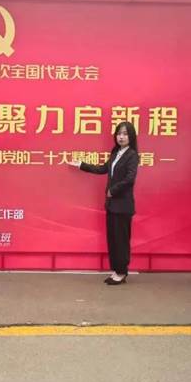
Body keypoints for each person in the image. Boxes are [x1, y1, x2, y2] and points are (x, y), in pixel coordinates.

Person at [69, 121, 140, 285]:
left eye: (125, 134)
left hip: (123, 206)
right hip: (112, 205)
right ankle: (116, 270)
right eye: (119, 134)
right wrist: (81, 165)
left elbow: (130, 179)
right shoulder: (116, 153)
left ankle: (122, 272)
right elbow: (102, 169)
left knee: (121, 240)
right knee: (113, 239)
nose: (121, 137)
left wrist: (113, 190)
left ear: (131, 136)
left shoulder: (132, 155)